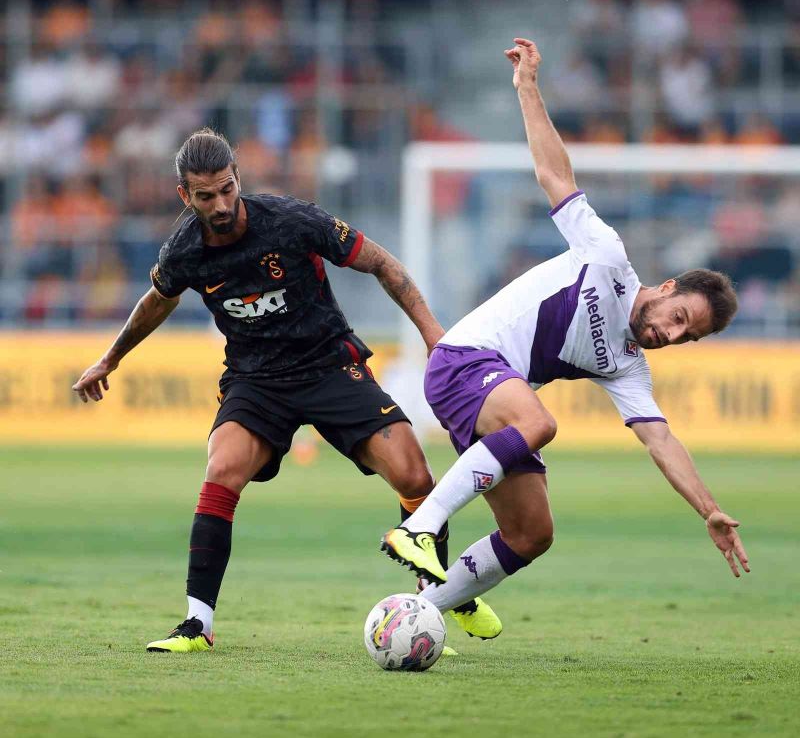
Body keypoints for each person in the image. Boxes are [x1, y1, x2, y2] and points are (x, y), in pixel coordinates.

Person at [72, 128, 501, 652]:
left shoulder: (292, 221)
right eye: (206, 196)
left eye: (227, 189)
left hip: (329, 366)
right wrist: (110, 358)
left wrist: (433, 335)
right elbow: (157, 301)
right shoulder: (185, 248)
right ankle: (197, 624)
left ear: (237, 178)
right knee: (222, 469)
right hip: (257, 382)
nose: (221, 204)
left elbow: (383, 264)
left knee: (414, 474)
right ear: (185, 196)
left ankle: (432, 600)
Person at [381, 39, 750, 619]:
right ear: (668, 288)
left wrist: (708, 508)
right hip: (464, 361)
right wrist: (528, 88)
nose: (673, 337)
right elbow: (554, 172)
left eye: (688, 338)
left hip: (492, 392)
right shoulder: (607, 256)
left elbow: (661, 441)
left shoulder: (629, 365)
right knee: (539, 422)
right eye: (680, 320)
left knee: (532, 533)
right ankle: (422, 526)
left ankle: (421, 609)